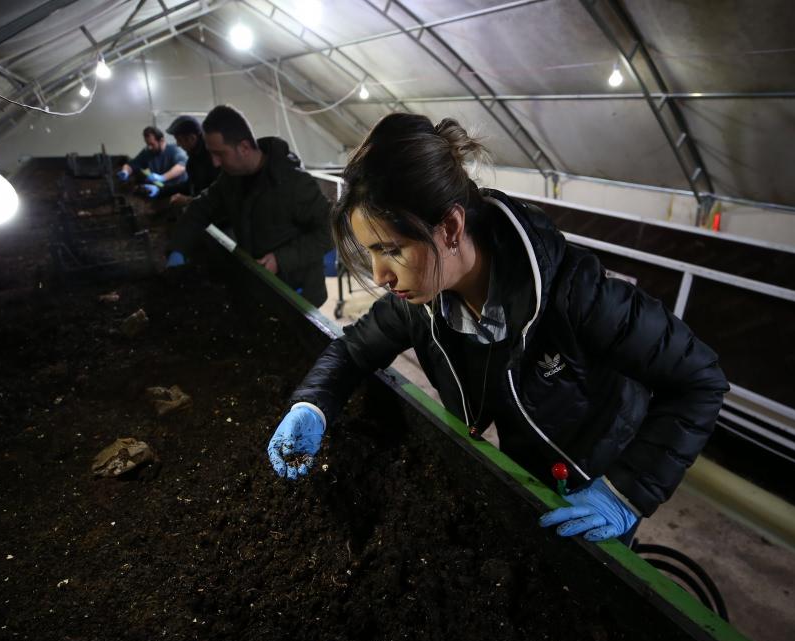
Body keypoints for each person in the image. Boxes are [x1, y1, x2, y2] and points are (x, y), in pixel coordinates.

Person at [266, 113, 728, 545]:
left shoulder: (576, 295)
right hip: (529, 465)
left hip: (598, 475)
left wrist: (626, 492)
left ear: (450, 227)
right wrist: (312, 405)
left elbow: (700, 378)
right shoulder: (422, 302)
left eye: (392, 250)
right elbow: (352, 351)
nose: (381, 275)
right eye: (371, 253)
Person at [166, 105, 331, 307]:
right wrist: (178, 248)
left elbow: (332, 230)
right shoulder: (231, 179)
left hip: (298, 291)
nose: (215, 163)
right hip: (263, 284)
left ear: (244, 148)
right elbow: (200, 208)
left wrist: (281, 259)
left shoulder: (294, 183)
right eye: (211, 154)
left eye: (219, 154)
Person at [117, 126, 188, 198]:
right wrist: (125, 171)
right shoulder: (147, 152)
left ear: (161, 140)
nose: (149, 147)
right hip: (162, 190)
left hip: (179, 191)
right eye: (147, 144)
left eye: (152, 144)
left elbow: (181, 167)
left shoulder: (175, 150)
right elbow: (132, 165)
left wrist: (162, 177)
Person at [165, 114, 219, 207]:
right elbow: (190, 185)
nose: (177, 144)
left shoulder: (212, 158)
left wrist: (189, 201)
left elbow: (216, 194)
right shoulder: (193, 158)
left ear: (192, 138)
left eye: (179, 140)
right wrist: (160, 191)